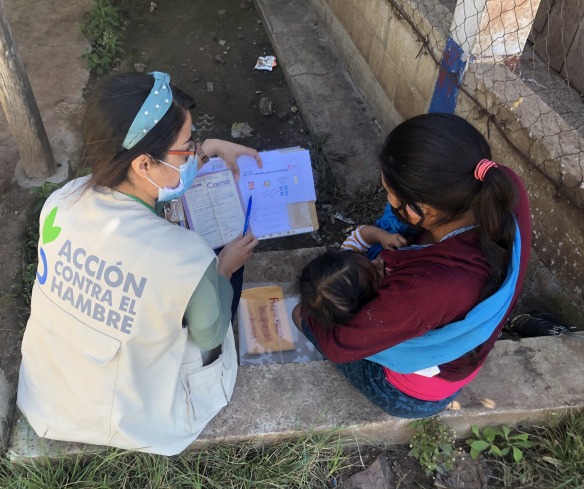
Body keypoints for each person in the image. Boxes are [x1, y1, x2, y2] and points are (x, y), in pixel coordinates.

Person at [17, 71, 261, 455]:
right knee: (218, 284)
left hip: (50, 393)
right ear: (143, 164)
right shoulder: (184, 256)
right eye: (187, 147)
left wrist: (210, 147)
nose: (193, 152)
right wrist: (224, 268)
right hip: (130, 414)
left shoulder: (60, 202)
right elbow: (209, 336)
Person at [293, 113, 532, 418]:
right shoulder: (498, 184)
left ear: (425, 209)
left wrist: (316, 311)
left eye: (391, 193)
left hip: (418, 394)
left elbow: (339, 343)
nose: (388, 199)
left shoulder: (423, 288)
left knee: (303, 313)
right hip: (461, 350)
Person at [298, 226, 406, 326]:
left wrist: (382, 236)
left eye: (367, 260)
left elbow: (361, 235)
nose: (377, 262)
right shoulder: (385, 302)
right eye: (377, 275)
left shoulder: (347, 261)